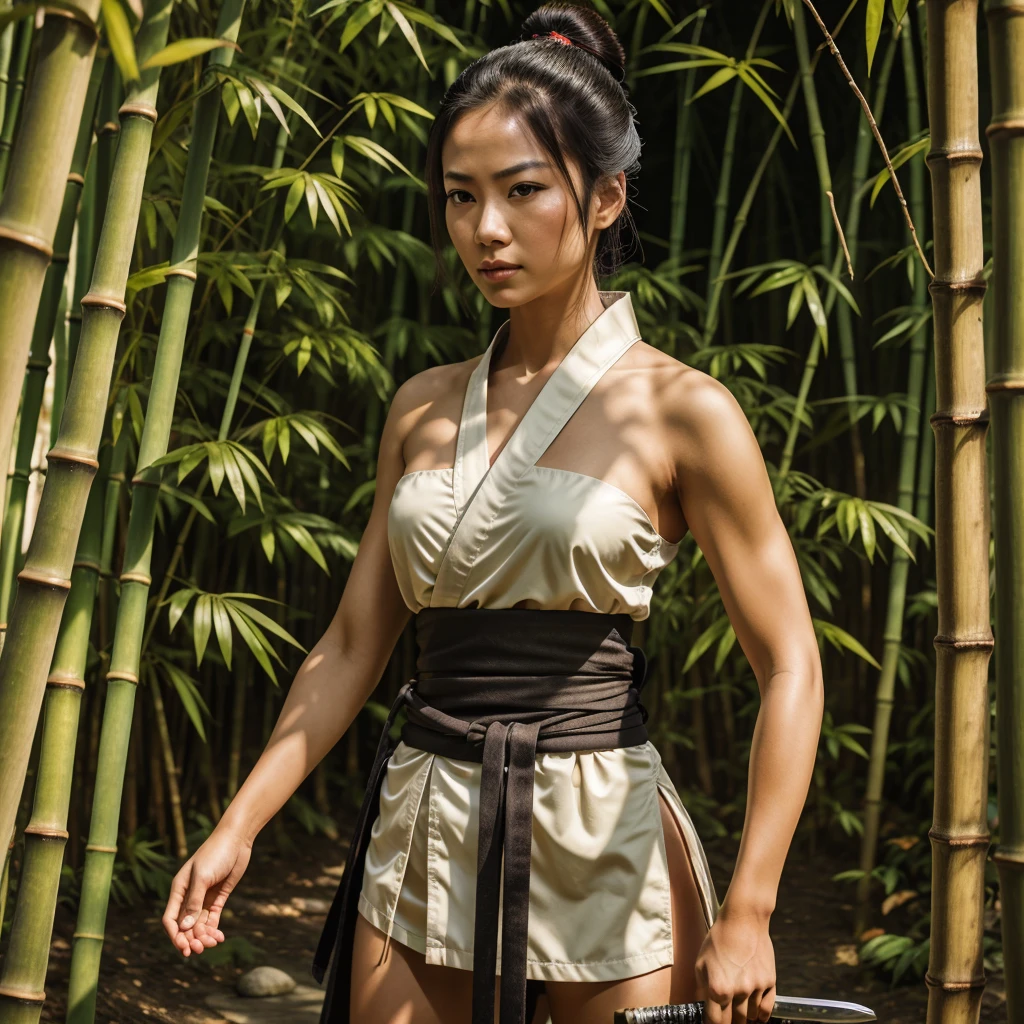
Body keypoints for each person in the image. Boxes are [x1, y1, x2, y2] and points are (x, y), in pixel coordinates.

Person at [161, 4, 824, 1023]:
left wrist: (749, 909)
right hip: (426, 815)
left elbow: (789, 661)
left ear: (604, 198)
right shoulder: (421, 402)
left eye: (522, 191)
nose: (488, 230)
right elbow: (351, 643)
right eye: (460, 197)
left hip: (603, 831)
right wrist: (240, 824)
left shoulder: (685, 409)